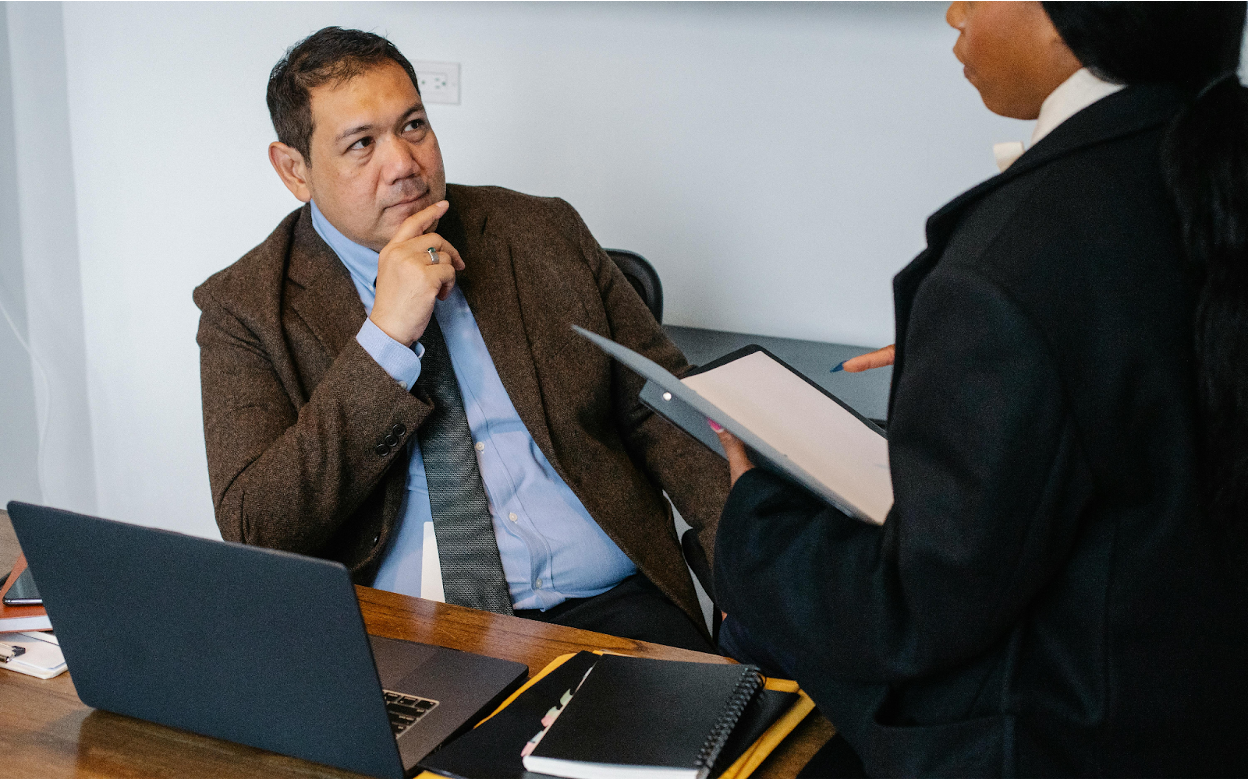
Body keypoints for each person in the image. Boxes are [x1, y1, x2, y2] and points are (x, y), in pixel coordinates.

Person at [710, 1, 1248, 775]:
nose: (953, 11)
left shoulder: (1017, 258)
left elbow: (919, 609)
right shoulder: (1187, 166)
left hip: (1067, 739)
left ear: (1076, 18)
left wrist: (753, 516)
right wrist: (979, 357)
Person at [193, 27, 727, 653]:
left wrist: (766, 571)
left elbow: (665, 414)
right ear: (295, 170)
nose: (403, 165)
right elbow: (259, 530)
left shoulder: (541, 232)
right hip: (408, 636)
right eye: (362, 144)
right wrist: (385, 341)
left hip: (613, 609)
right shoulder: (244, 308)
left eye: (413, 126)